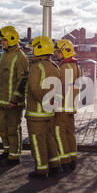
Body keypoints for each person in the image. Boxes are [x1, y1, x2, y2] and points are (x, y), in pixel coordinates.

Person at [0, 26, 29, 167]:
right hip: (1, 100)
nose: (2, 43)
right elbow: (0, 78)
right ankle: (6, 150)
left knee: (13, 129)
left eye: (4, 40)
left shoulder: (21, 57)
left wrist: (15, 99)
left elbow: (23, 81)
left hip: (14, 103)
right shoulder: (4, 55)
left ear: (12, 40)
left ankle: (14, 155)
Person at [26, 35, 61, 179]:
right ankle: (55, 166)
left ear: (40, 49)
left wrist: (44, 101)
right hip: (50, 113)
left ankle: (41, 171)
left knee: (37, 141)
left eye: (34, 48)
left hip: (37, 113)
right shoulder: (55, 66)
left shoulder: (36, 67)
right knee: (50, 139)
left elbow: (34, 89)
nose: (32, 51)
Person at [53, 39, 82, 172]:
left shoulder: (65, 67)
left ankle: (65, 161)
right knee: (70, 133)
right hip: (70, 106)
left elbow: (62, 88)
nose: (56, 54)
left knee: (59, 133)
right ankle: (72, 159)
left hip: (63, 106)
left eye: (58, 52)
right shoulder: (76, 66)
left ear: (64, 52)